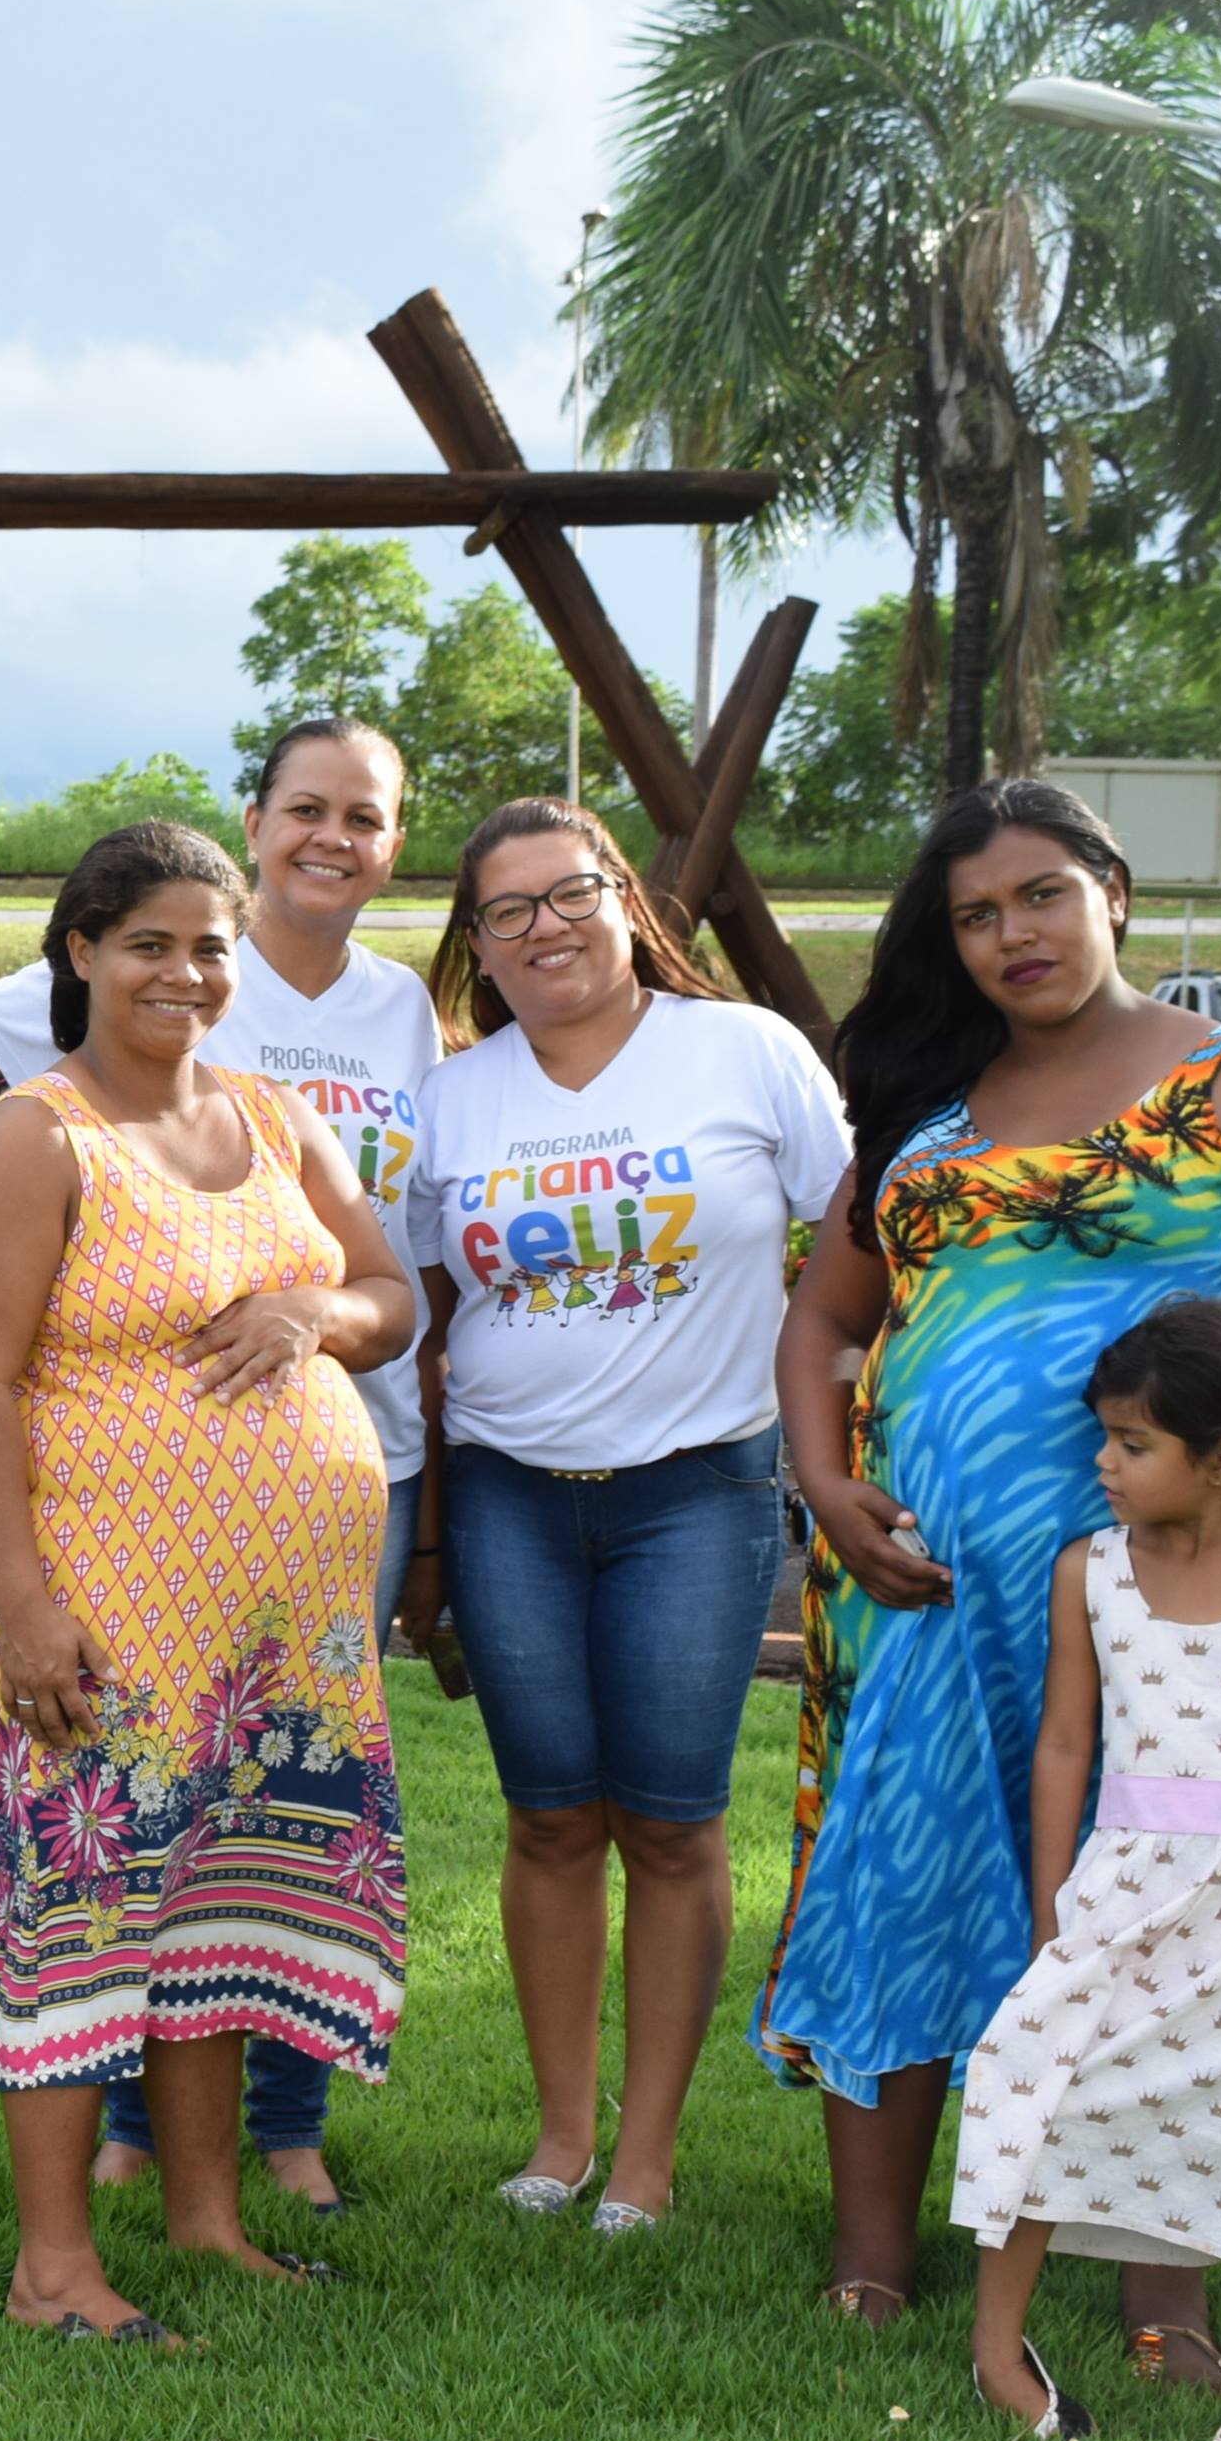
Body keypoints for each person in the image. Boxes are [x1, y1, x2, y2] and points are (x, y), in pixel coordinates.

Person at [757, 777, 1221, 2360]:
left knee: (1165, 1904)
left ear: (1111, 889)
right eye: (977, 915)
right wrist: (829, 1486)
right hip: (925, 1592)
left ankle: (1161, 2277)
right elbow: (821, 1321)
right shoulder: (924, 1098)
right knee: (906, 1872)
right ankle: (871, 2252)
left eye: (1041, 895)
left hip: (1169, 1601)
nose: (1011, 936)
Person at [0, 818, 417, 2343]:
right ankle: (54, 2265)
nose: (186, 972)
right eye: (150, 942)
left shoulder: (275, 1120)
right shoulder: (35, 1134)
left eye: (211, 943)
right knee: (86, 1904)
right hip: (105, 1598)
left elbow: (393, 1296)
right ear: (79, 953)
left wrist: (309, 1311)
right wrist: (21, 1604)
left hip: (282, 1621)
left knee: (213, 1899)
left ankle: (205, 2222)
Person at [391, 798, 848, 2237]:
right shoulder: (457, 1097)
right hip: (513, 1493)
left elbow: (858, 1239)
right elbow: (423, 1303)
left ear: (626, 901)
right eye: (506, 911)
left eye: (569, 893)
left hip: (696, 1491)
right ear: (478, 943)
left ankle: (646, 2156)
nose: (545, 929)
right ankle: (560, 2134)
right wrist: (431, 1524)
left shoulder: (746, 1053)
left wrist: (832, 1416)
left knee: (668, 1820)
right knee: (547, 1815)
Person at [953, 1299, 1221, 2441]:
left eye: (1131, 1444)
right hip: (1127, 1894)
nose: (1102, 1461)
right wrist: (1052, 1906)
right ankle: (997, 2355)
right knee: (1038, 2084)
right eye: (1104, 1436)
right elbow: (1061, 1747)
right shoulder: (1088, 1574)